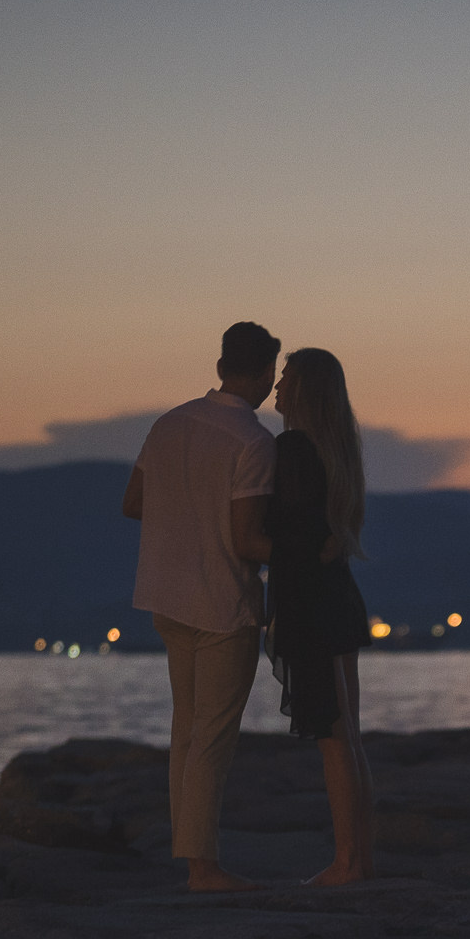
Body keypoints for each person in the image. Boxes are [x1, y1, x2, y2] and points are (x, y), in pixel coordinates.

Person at [123, 321, 281, 892]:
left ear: (220, 367)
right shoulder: (253, 441)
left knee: (187, 731)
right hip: (221, 601)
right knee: (211, 735)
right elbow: (247, 541)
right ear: (264, 374)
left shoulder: (169, 424)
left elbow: (134, 502)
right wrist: (312, 551)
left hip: (167, 596)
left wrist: (186, 512)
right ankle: (203, 868)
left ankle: (193, 859)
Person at [254, 347, 375, 884]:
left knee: (334, 737)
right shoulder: (338, 452)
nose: (278, 387)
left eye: (287, 377)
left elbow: (296, 536)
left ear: (305, 389)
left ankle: (347, 862)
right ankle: (359, 858)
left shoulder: (295, 450)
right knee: (349, 736)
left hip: (312, 604)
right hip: (338, 597)